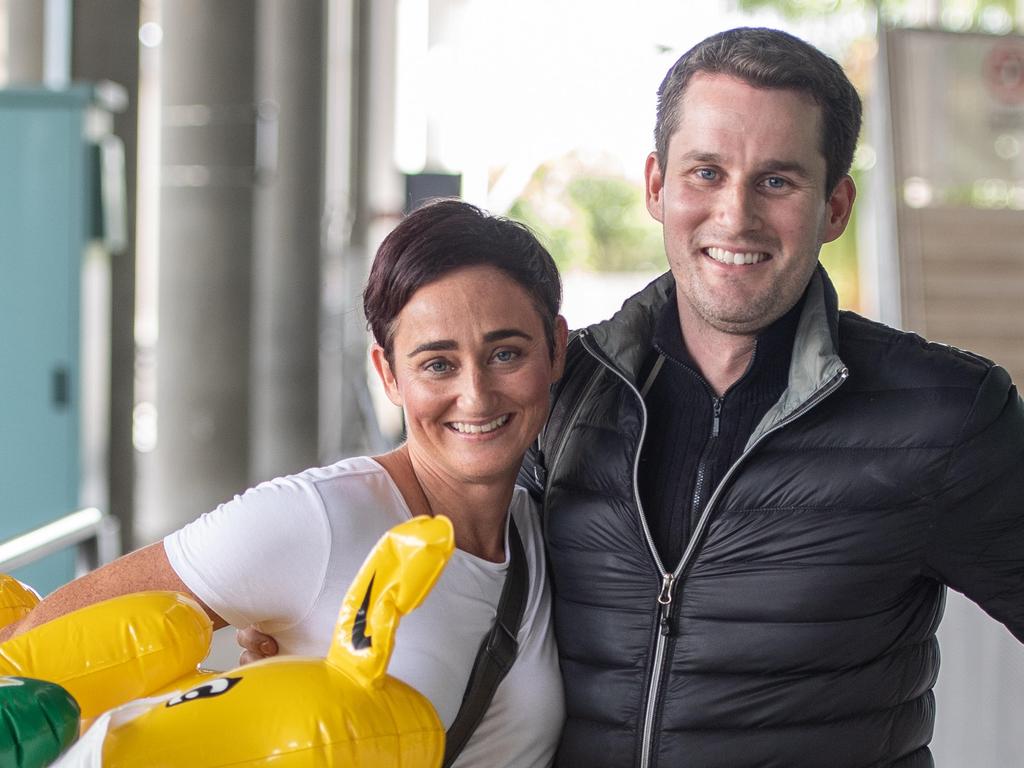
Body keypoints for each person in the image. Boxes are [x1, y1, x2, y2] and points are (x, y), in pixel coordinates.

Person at [240, 26, 1024, 767]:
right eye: (706, 173)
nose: (734, 214)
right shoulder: (556, 389)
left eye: (777, 180)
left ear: (834, 208)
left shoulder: (945, 413)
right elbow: (452, 562)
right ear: (657, 185)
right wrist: (306, 636)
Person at [0, 199, 568, 768]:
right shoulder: (316, 518)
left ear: (557, 349)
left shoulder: (544, 533)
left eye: (505, 353)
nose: (475, 395)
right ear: (388, 374)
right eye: (438, 364)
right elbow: (26, 656)